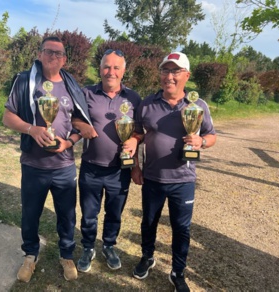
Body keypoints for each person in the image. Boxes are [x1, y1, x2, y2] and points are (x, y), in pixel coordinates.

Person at [2, 36, 92, 283]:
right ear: (40, 54)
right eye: (49, 52)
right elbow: (8, 117)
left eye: (59, 54)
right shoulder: (24, 81)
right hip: (33, 164)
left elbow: (80, 123)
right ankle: (30, 255)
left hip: (64, 166)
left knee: (67, 215)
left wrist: (69, 142)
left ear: (64, 59)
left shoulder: (72, 86)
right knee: (30, 214)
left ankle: (66, 255)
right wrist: (32, 129)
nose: (54, 57)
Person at [127, 52, 216, 292]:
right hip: (153, 178)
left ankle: (178, 272)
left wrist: (201, 142)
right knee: (149, 222)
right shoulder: (147, 103)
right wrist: (135, 165)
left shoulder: (198, 106)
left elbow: (211, 135)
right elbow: (137, 134)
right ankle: (147, 257)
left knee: (181, 228)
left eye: (175, 71)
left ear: (186, 75)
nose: (169, 76)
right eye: (165, 71)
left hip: (183, 180)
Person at [72, 49, 141, 272]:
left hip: (119, 170)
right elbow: (72, 117)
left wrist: (135, 140)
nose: (111, 71)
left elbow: (141, 129)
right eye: (106, 66)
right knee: (89, 213)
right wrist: (82, 126)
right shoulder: (86, 93)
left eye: (116, 67)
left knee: (114, 213)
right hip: (91, 167)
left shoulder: (133, 98)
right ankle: (88, 247)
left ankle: (109, 245)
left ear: (124, 71)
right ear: (100, 69)